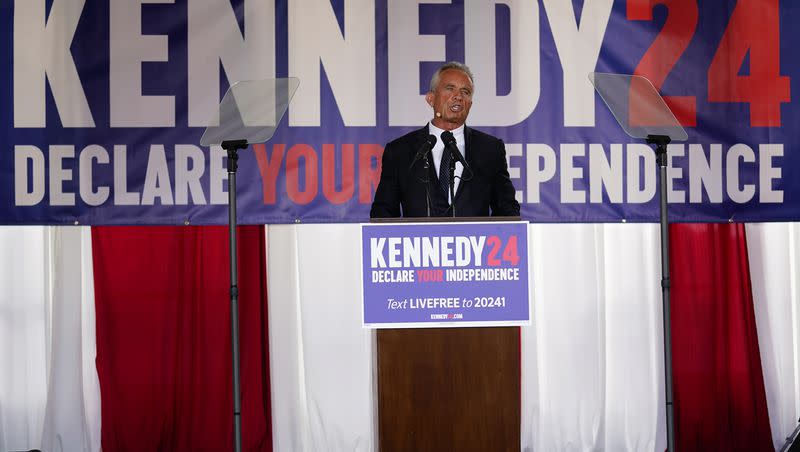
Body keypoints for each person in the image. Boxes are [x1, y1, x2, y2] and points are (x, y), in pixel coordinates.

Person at [370, 61, 520, 218]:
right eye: (450, 89)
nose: (458, 97)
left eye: (465, 92)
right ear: (431, 99)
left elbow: (507, 209)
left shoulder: (490, 150)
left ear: (470, 104)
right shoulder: (400, 151)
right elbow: (383, 213)